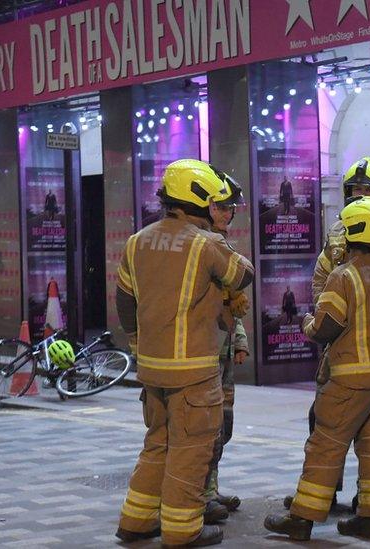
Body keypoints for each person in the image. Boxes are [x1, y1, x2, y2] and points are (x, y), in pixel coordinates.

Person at [115, 159, 254, 547]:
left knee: (158, 442)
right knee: (191, 449)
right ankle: (181, 529)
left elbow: (125, 302)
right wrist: (216, 238)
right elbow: (243, 275)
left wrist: (138, 345)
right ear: (198, 201)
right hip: (194, 369)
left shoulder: (137, 241)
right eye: (213, 203)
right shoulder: (206, 243)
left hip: (152, 368)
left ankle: (137, 520)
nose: (217, 210)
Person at [264, 197, 370, 541]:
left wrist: (306, 323)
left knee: (326, 445)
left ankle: (302, 518)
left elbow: (326, 326)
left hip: (351, 380)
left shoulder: (343, 276)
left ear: (353, 234)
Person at [202, 189, 251, 520]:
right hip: (204, 352)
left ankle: (212, 488)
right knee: (205, 429)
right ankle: (200, 493)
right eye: (221, 207)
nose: (227, 213)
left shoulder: (222, 245)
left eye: (230, 208)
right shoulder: (203, 246)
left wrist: (241, 337)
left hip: (224, 348)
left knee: (224, 427)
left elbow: (232, 301)